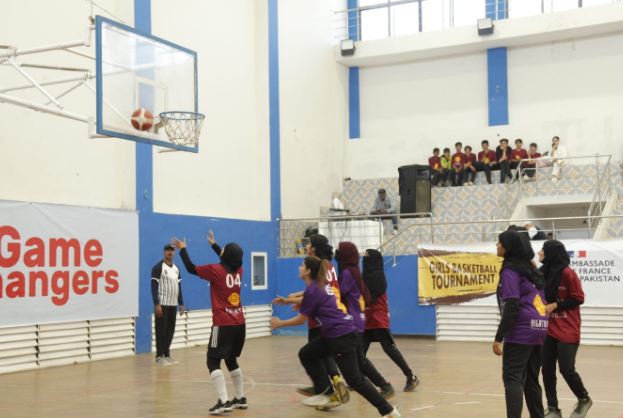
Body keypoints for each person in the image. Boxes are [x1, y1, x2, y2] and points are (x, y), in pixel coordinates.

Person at [271, 256, 403, 417]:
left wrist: (279, 323)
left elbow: (301, 319)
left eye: (302, 265)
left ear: (308, 271)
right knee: (307, 354)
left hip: (341, 338)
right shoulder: (320, 286)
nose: (299, 267)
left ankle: (388, 410)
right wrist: (291, 301)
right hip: (335, 335)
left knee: (355, 381)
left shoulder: (314, 289)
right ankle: (325, 391)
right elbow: (313, 301)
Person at [172, 231, 247, 415]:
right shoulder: (240, 270)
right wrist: (214, 245)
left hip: (223, 324)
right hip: (240, 323)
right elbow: (227, 256)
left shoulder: (215, 270)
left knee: (212, 360)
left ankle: (223, 401)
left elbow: (190, 268)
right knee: (231, 359)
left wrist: (183, 250)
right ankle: (240, 397)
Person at [272, 234, 345, 400]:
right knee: (319, 353)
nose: (306, 247)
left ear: (314, 248)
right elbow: (316, 291)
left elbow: (316, 292)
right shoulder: (329, 265)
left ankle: (325, 388)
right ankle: (331, 383)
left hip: (321, 317)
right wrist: (298, 296)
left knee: (312, 354)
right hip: (328, 314)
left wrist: (289, 302)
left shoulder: (320, 266)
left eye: (309, 244)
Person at [493, 230, 548, 418]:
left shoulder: (510, 269)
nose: (496, 246)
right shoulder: (531, 269)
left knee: (512, 378)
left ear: (509, 247)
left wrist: (499, 337)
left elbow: (512, 305)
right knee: (531, 380)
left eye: (499, 243)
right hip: (540, 328)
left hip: (522, 331)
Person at [539, 240, 592, 418]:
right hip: (549, 330)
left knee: (566, 369)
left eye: (543, 250)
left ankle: (584, 398)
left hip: (568, 330)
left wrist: (555, 305)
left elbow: (579, 298)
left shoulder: (568, 274)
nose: (539, 253)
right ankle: (553, 408)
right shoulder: (543, 273)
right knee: (546, 369)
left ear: (552, 253)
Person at [335, 242, 395, 398]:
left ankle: (383, 387)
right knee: (359, 359)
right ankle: (374, 384)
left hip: (356, 322)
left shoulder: (350, 273)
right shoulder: (354, 272)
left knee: (364, 357)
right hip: (359, 320)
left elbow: (337, 294)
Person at [362, 249, 419, 392]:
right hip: (367, 318)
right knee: (359, 353)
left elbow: (371, 297)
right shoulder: (364, 276)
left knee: (389, 348)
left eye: (367, 258)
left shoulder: (378, 275)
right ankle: (358, 380)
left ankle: (411, 376)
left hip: (378, 317)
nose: (365, 261)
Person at [151, 244, 185, 366]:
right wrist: (157, 304)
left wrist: (181, 303)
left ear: (174, 253)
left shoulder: (176, 268)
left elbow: (178, 287)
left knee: (170, 330)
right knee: (161, 330)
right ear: (164, 252)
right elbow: (154, 287)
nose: (170, 252)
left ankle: (167, 354)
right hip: (162, 304)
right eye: (167, 250)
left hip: (173, 305)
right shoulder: (158, 267)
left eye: (172, 250)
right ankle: (159, 356)